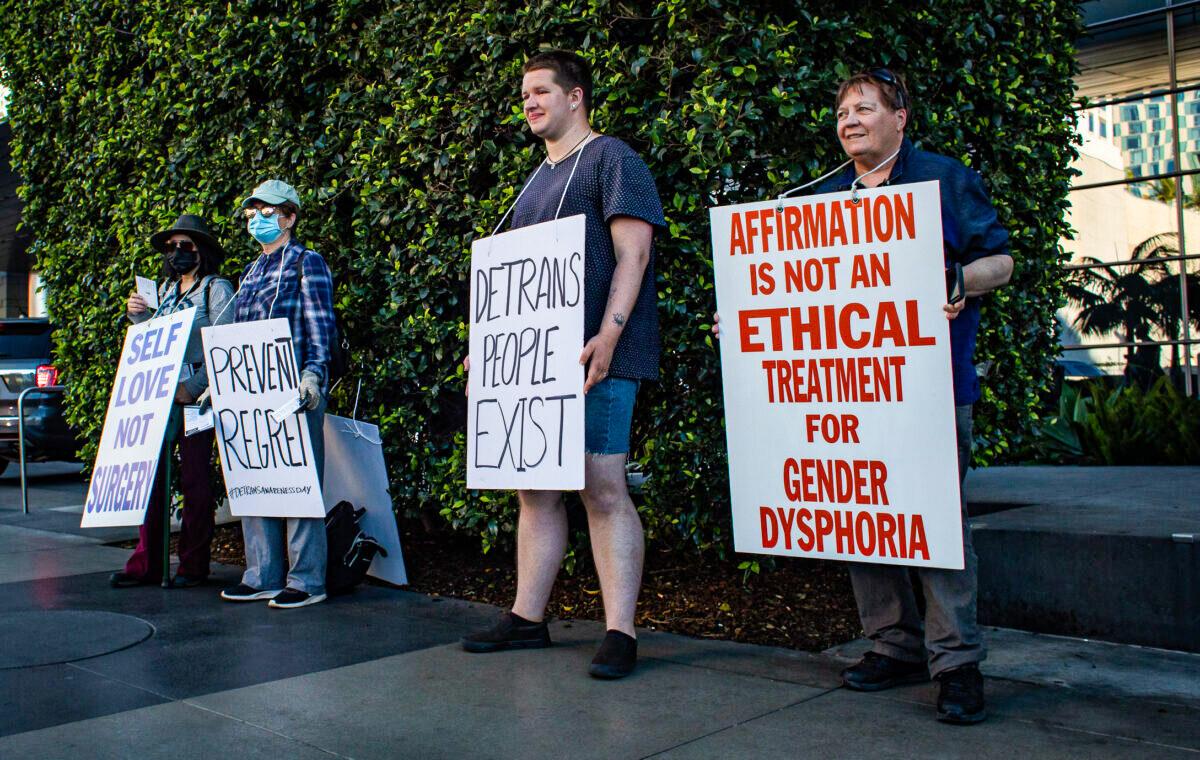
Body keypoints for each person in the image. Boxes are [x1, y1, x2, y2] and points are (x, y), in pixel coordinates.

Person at [714, 68, 1012, 724]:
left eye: (865, 108)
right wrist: (744, 315)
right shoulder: (818, 196)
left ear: (899, 118)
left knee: (936, 519)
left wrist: (959, 279)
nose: (849, 120)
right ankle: (893, 643)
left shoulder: (943, 178)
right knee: (858, 506)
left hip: (930, 386)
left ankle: (957, 661)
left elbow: (1003, 261)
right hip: (849, 389)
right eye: (842, 110)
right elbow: (788, 288)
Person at [460, 50, 665, 679]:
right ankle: (527, 616)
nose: (530, 102)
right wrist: (490, 348)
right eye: (525, 93)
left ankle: (621, 631)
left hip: (597, 356)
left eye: (542, 90)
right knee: (536, 487)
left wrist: (610, 334)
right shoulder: (532, 183)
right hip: (534, 364)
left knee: (602, 487)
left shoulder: (613, 158)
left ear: (577, 96)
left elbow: (634, 254)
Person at [218, 179, 337, 610]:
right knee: (256, 479)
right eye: (252, 213)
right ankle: (262, 574)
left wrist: (313, 377)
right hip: (253, 395)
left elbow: (320, 328)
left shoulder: (308, 263)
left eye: (268, 212)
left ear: (289, 217)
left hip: (294, 392)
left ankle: (306, 580)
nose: (258, 219)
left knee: (299, 484)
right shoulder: (249, 272)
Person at [110, 214, 234, 588]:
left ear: (202, 250)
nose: (178, 252)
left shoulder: (216, 289)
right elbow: (152, 343)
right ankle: (147, 563)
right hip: (158, 395)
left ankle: (193, 564)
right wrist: (140, 318)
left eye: (186, 246)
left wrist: (194, 387)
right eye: (172, 247)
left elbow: (223, 346)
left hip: (195, 398)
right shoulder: (162, 290)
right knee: (152, 478)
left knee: (195, 478)